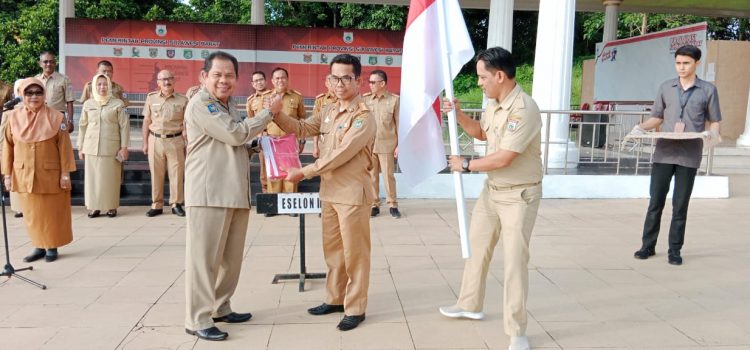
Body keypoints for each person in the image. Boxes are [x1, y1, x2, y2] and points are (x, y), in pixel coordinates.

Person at [439, 47, 543, 350]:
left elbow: (504, 158)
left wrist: (467, 165)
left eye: (483, 77)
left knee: (514, 263)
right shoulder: (495, 103)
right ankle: (469, 303)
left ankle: (517, 331)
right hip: (492, 192)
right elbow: (483, 134)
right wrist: (456, 114)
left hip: (518, 196)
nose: (480, 83)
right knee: (477, 249)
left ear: (500, 75)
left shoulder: (524, 108)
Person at [269, 53, 376, 331]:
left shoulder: (364, 116)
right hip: (329, 192)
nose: (339, 84)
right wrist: (278, 114)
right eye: (334, 78)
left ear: (358, 80)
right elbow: (303, 128)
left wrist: (304, 172)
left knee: (355, 254)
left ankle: (356, 307)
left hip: (353, 194)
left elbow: (342, 154)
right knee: (333, 253)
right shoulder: (328, 111)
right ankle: (335, 299)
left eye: (345, 78)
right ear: (328, 80)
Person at [183, 51, 276, 341]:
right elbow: (235, 135)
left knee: (230, 259)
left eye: (230, 75)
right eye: (217, 75)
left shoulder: (227, 106)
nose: (224, 80)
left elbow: (234, 144)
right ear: (204, 77)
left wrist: (256, 146)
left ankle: (221, 306)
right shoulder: (202, 104)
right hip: (209, 193)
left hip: (233, 191)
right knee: (204, 259)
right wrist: (268, 113)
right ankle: (197, 318)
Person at [631, 44, 722, 266]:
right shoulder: (665, 87)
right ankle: (647, 246)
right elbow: (657, 118)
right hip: (664, 152)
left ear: (696, 63)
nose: (681, 67)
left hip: (689, 155)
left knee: (680, 205)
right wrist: (641, 128)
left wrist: (712, 135)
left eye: (686, 63)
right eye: (678, 63)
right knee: (656, 202)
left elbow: (715, 120)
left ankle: (674, 250)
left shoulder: (708, 90)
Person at [1, 78, 76, 263]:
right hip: (24, 174)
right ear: (22, 95)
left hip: (50, 174)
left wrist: (65, 173)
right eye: (29, 93)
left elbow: (65, 147)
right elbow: (8, 148)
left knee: (51, 212)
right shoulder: (13, 117)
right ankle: (38, 245)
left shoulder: (56, 117)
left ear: (44, 95)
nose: (34, 96)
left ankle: (52, 246)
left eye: (38, 92)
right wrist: (7, 175)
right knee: (32, 214)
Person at [78, 73, 130, 218]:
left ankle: (111, 206)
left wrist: (124, 147)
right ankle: (94, 207)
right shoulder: (88, 104)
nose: (102, 87)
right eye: (99, 84)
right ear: (94, 86)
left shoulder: (118, 103)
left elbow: (124, 126)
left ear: (110, 86)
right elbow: (82, 126)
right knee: (93, 180)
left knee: (110, 179)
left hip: (111, 148)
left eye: (105, 84)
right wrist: (80, 146)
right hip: (91, 147)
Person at [142, 70, 189, 217]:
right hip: (155, 140)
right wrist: (145, 143)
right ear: (158, 83)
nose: (166, 82)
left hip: (175, 140)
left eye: (169, 79)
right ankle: (157, 205)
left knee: (177, 173)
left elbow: (187, 123)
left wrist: (187, 142)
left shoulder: (183, 100)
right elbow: (146, 121)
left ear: (174, 81)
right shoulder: (151, 98)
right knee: (156, 173)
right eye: (163, 79)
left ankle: (176, 204)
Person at [363, 69, 401, 218]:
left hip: (387, 144)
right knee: (372, 176)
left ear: (382, 83)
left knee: (388, 176)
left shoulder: (394, 100)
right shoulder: (365, 100)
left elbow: (398, 123)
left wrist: (399, 145)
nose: (370, 85)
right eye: (370, 82)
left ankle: (392, 204)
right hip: (369, 145)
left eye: (373, 82)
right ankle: (374, 204)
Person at [265, 67, 307, 195]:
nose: (280, 80)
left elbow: (302, 119)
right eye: (277, 78)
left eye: (283, 77)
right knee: (273, 174)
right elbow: (261, 120)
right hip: (272, 141)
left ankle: (291, 205)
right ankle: (273, 205)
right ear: (272, 81)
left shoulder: (297, 97)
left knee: (291, 173)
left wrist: (302, 140)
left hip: (290, 140)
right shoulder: (266, 97)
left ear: (287, 79)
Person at [34, 51, 74, 132]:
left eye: (51, 61)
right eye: (45, 62)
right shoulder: (35, 80)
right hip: (39, 118)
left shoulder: (64, 79)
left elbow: (69, 101)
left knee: (59, 143)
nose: (48, 64)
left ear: (55, 63)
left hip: (58, 118)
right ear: (40, 64)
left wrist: (70, 121)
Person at [245, 71, 271, 194]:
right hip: (263, 137)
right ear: (252, 84)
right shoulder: (251, 101)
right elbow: (251, 120)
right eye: (256, 81)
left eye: (261, 79)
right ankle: (266, 197)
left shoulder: (274, 95)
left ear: (265, 81)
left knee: (280, 167)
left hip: (277, 136)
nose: (259, 83)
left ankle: (280, 196)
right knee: (264, 169)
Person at [311, 77, 337, 158]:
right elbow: (315, 125)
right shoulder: (320, 100)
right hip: (324, 142)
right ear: (326, 83)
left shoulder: (345, 99)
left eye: (335, 81)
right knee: (323, 168)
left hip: (340, 142)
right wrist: (315, 146)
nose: (333, 84)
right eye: (330, 81)